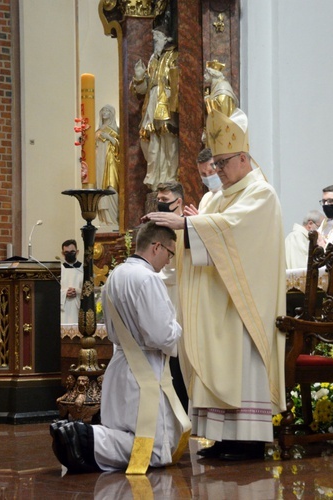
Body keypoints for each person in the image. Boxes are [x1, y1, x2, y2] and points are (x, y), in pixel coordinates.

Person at [146, 107, 286, 461]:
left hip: (244, 305)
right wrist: (187, 230)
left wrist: (189, 227)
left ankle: (249, 441)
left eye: (222, 164)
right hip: (216, 301)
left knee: (241, 362)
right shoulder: (214, 197)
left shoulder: (261, 194)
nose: (217, 172)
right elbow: (208, 239)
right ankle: (222, 437)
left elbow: (235, 232)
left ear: (243, 158)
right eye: (215, 165)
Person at [50, 222, 190, 474]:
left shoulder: (117, 274)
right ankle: (85, 438)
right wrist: (179, 327)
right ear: (156, 246)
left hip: (120, 366)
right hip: (144, 371)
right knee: (155, 449)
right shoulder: (148, 279)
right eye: (169, 253)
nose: (168, 261)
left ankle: (85, 438)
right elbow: (162, 335)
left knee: (127, 432)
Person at [132, 29, 179, 189]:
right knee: (149, 140)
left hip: (165, 101)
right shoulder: (153, 59)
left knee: (168, 138)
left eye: (157, 37)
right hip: (151, 101)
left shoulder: (174, 55)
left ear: (166, 38)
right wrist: (139, 78)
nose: (154, 41)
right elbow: (142, 90)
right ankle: (153, 178)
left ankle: (171, 176)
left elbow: (178, 80)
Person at [155, 181, 188, 410]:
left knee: (183, 356)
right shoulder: (159, 226)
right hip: (163, 293)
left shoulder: (189, 225)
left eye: (165, 201)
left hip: (182, 294)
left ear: (179, 202)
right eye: (159, 200)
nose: (161, 204)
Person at [95, 104, 120, 228]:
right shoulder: (98, 131)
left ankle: (113, 220)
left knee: (112, 188)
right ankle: (104, 220)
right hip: (100, 162)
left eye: (107, 110)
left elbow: (119, 145)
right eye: (103, 110)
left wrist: (108, 137)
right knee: (101, 188)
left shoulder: (115, 129)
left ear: (112, 113)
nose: (104, 112)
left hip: (111, 162)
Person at [183, 148, 222, 216]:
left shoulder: (230, 194)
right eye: (203, 174)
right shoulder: (206, 197)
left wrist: (197, 221)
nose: (208, 177)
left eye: (211, 172)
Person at [60, 239, 83, 339]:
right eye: (67, 252)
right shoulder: (58, 269)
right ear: (62, 253)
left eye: (72, 252)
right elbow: (52, 291)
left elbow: (89, 289)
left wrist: (77, 291)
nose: (70, 254)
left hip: (78, 308)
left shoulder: (83, 269)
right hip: (63, 310)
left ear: (77, 252)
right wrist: (64, 293)